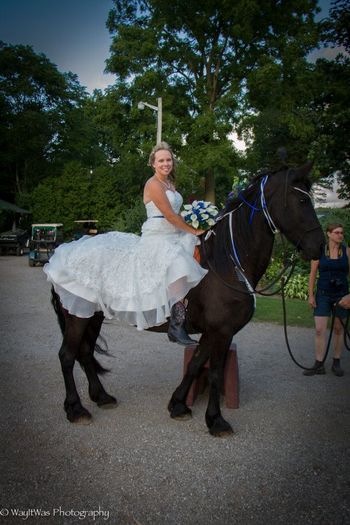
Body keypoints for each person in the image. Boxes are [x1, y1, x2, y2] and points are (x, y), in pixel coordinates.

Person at [44, 142, 207, 345]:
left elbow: (177, 216)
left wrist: (196, 221)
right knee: (179, 264)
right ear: (153, 164)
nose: (166, 163)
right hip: (157, 237)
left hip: (173, 235)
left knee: (195, 256)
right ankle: (176, 326)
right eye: (161, 160)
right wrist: (194, 230)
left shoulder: (170, 185)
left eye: (168, 160)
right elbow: (170, 216)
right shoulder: (153, 184)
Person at [304, 223, 350, 377]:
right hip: (322, 295)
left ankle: (336, 362)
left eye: (341, 233)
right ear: (329, 234)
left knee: (338, 330)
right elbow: (312, 273)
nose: (340, 235)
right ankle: (319, 363)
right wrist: (311, 295)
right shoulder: (320, 251)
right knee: (319, 330)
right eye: (337, 232)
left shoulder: (347, 252)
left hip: (341, 296)